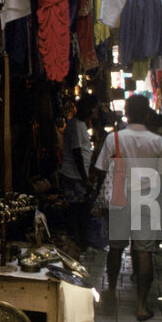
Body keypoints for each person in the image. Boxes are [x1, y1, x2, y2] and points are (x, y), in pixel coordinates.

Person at [91, 94, 162, 321]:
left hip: (119, 195)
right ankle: (142, 306)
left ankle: (112, 294)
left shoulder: (114, 138)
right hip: (146, 197)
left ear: (126, 112)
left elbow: (100, 169)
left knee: (115, 248)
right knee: (144, 251)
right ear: (147, 114)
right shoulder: (158, 142)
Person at [60, 94, 99, 247]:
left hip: (76, 174)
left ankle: (78, 240)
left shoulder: (81, 124)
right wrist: (85, 179)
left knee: (79, 207)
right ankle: (77, 241)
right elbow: (77, 153)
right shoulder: (76, 125)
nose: (93, 113)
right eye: (92, 109)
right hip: (73, 174)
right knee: (78, 208)